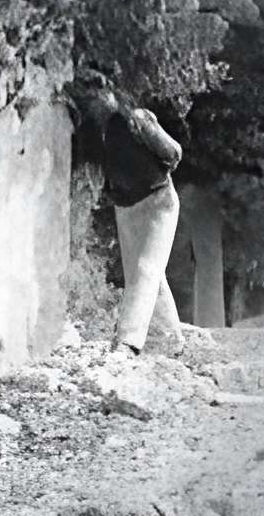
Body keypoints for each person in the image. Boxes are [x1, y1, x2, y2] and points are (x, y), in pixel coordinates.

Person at [77, 77, 184, 356]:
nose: (97, 99)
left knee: (145, 270)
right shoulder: (91, 132)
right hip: (125, 207)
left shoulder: (137, 119)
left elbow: (174, 153)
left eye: (100, 92)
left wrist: (152, 142)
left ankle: (127, 342)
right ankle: (171, 339)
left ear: (113, 93)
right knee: (148, 273)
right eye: (90, 95)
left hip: (158, 202)